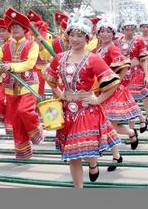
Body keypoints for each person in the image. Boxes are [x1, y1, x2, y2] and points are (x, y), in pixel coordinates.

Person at [42, 15, 121, 188]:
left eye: (80, 35)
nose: (75, 39)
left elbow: (113, 81)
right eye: (72, 35)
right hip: (66, 112)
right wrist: (60, 94)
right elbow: (50, 79)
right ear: (67, 36)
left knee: (82, 148)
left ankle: (92, 164)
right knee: (74, 155)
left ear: (87, 38)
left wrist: (98, 99)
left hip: (86, 111)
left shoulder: (93, 58)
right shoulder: (60, 57)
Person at [0, 7, 43, 160]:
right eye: (12, 27)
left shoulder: (32, 45)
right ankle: (23, 152)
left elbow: (29, 64)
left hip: (28, 85)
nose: (14, 29)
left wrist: (11, 67)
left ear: (24, 29)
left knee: (24, 111)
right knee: (16, 121)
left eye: (18, 27)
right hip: (10, 88)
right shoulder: (4, 47)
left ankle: (37, 130)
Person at [95, 19, 143, 171]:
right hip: (102, 90)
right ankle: (128, 136)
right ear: (98, 33)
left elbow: (125, 64)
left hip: (113, 91)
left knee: (108, 125)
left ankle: (117, 155)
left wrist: (116, 81)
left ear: (113, 34)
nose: (105, 34)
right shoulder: (99, 49)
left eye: (108, 31)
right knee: (107, 125)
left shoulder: (112, 48)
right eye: (102, 31)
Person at [117, 20, 148, 132]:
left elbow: (144, 60)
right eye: (127, 29)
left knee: (131, 99)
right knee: (127, 101)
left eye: (132, 29)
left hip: (136, 74)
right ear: (122, 30)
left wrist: (146, 75)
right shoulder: (117, 42)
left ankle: (134, 127)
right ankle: (140, 120)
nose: (130, 31)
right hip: (122, 75)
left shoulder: (139, 41)